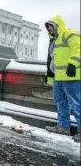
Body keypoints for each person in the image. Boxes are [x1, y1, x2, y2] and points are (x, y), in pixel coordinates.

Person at [44, 15, 80, 143]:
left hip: (72, 77)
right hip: (58, 78)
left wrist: (73, 63)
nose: (49, 29)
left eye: (51, 26)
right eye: (47, 27)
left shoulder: (70, 34)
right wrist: (49, 75)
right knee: (60, 103)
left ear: (57, 25)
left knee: (77, 103)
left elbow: (78, 48)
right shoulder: (55, 41)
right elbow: (53, 60)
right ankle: (63, 127)